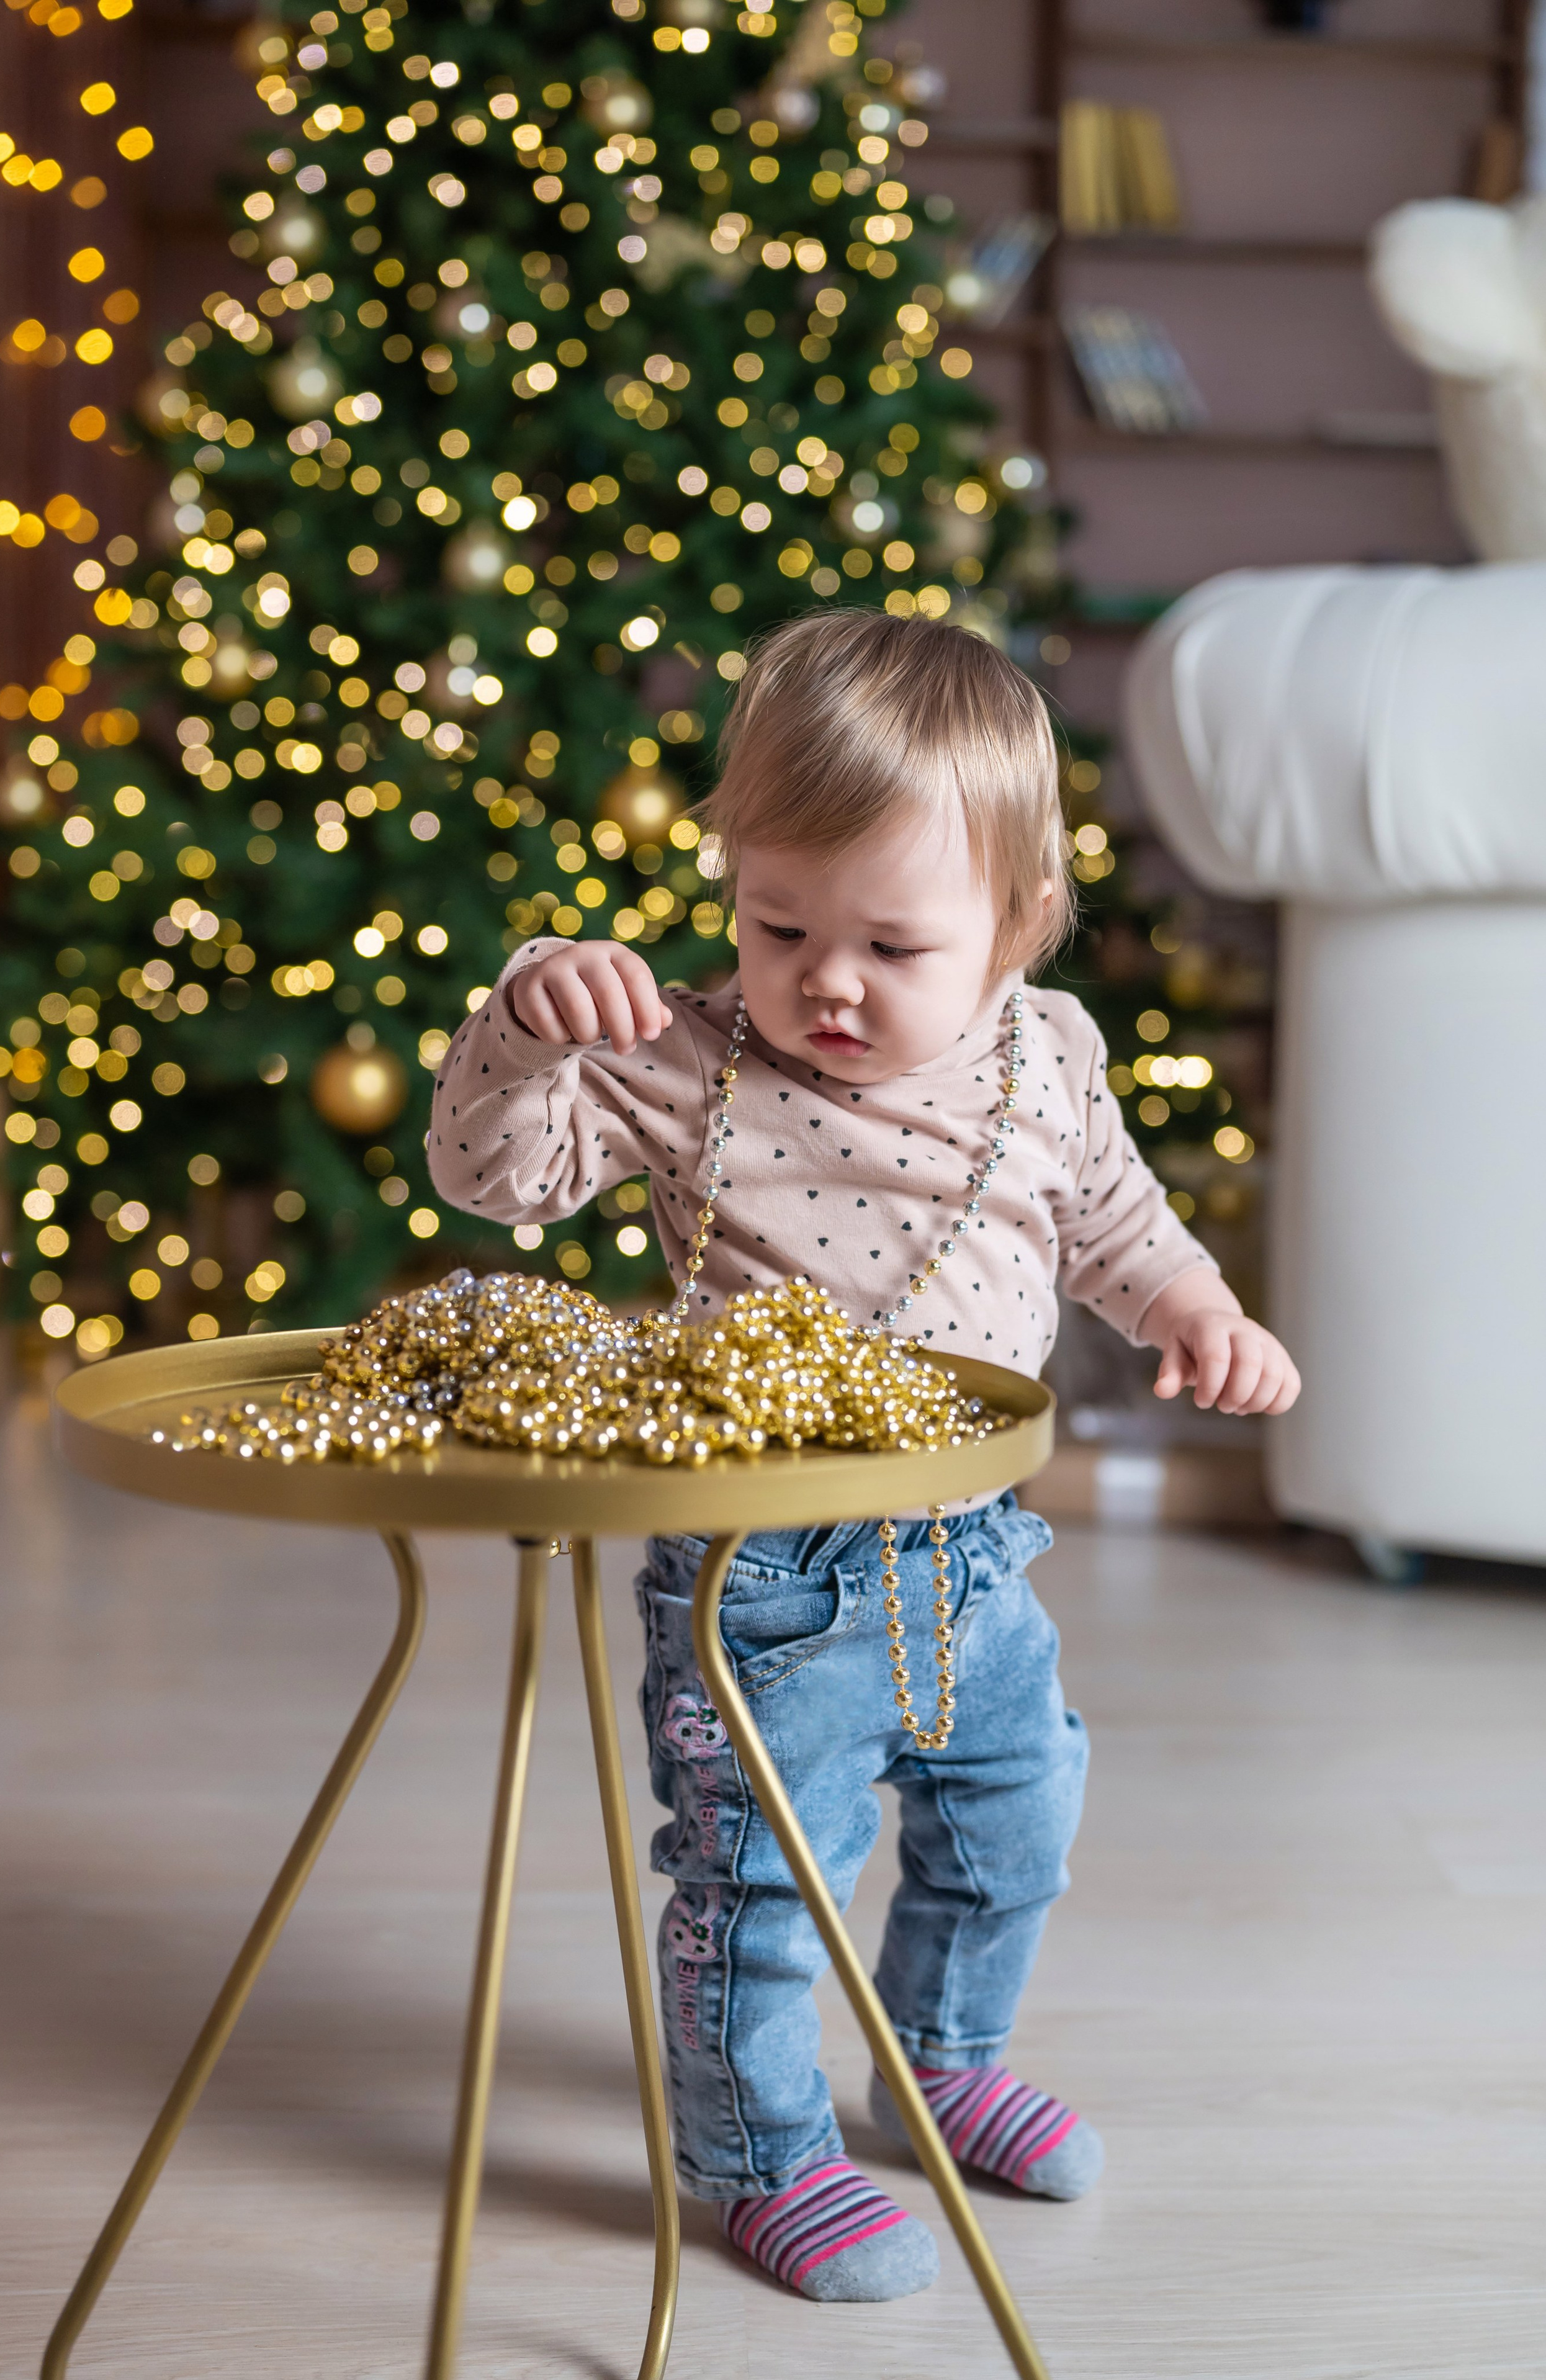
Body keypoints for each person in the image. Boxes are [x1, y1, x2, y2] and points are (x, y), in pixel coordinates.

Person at [428, 611, 1300, 2304]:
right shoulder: (687, 1058)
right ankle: (756, 2149)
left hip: (975, 1551)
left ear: (1017, 929)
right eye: (779, 922)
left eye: (895, 944)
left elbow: (1113, 1217)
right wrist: (531, 1025)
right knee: (763, 1872)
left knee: (1015, 1818)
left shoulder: (1045, 1058)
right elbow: (497, 1179)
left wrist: (1197, 1303)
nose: (826, 977)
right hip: (761, 1570)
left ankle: (938, 2056)